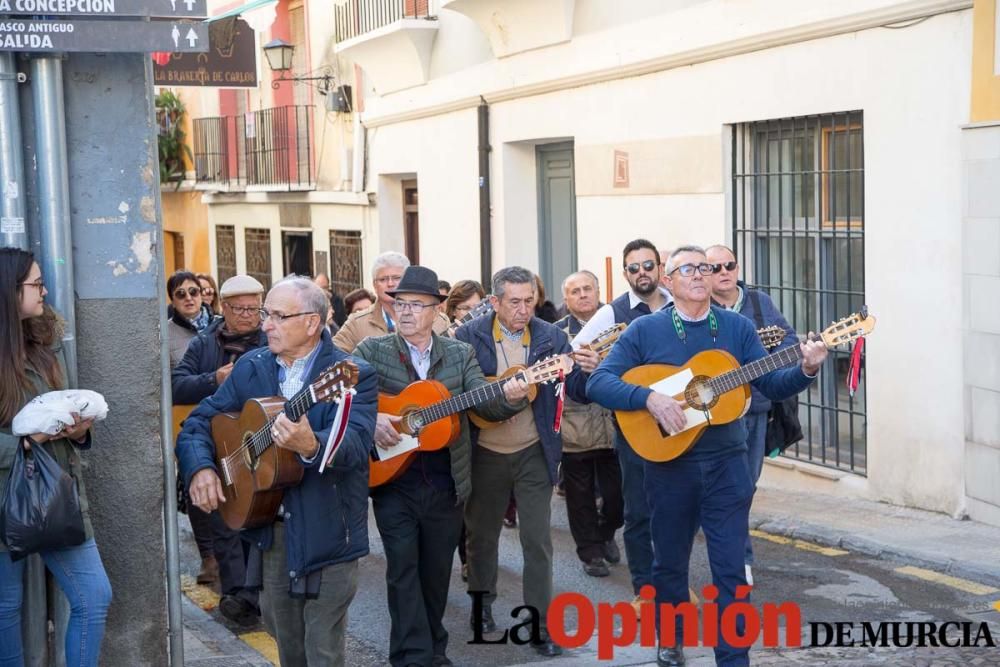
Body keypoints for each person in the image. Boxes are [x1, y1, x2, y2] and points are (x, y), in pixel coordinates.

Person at [587, 245, 827, 667]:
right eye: (689, 268)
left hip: (727, 464)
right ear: (668, 280)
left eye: (707, 267)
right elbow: (599, 383)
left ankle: (733, 660)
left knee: (732, 571)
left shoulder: (736, 327)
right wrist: (649, 399)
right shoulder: (644, 331)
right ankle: (671, 637)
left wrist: (806, 369)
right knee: (669, 564)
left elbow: (770, 383)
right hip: (669, 466)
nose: (701, 274)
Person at [176, 276, 378, 666]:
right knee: (285, 641)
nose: (265, 324)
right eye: (266, 314)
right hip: (272, 530)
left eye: (277, 316)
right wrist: (201, 468)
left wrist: (311, 445)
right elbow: (199, 423)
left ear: (312, 322)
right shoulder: (253, 366)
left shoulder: (353, 374)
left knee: (321, 647)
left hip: (330, 529)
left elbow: (354, 445)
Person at [354, 266, 528, 667]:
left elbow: (484, 401)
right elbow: (346, 397)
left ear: (437, 311)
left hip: (446, 480)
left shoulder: (459, 353)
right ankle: (412, 656)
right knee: (402, 568)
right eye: (401, 304)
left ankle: (433, 646)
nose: (407, 312)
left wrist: (513, 394)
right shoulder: (371, 352)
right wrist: (373, 418)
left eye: (417, 304)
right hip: (392, 480)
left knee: (434, 573)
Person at [454, 266, 593, 658]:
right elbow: (461, 387)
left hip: (533, 449)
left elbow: (575, 388)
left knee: (538, 540)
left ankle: (542, 625)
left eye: (529, 300)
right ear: (494, 302)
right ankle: (482, 608)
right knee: (481, 539)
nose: (523, 309)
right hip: (485, 453)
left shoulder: (550, 336)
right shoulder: (469, 335)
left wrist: (587, 368)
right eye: (513, 301)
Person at [0, 247, 112, 666]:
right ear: (8, 291)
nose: (45, 290)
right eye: (36, 283)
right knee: (4, 611)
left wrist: (80, 428)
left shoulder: (45, 338)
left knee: (94, 596)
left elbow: (63, 402)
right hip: (4, 492)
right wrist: (28, 442)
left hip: (55, 493)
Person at [572, 239, 671, 608]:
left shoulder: (680, 305)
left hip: (681, 422)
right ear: (625, 273)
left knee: (677, 509)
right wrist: (596, 368)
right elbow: (577, 365)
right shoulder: (610, 314)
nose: (642, 272)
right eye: (634, 268)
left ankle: (671, 583)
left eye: (648, 265)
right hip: (634, 425)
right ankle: (645, 591)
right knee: (639, 512)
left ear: (659, 267)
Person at [172, 274, 268, 626]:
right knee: (226, 520)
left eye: (254, 308)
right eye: (239, 308)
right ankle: (237, 596)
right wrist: (215, 380)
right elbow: (177, 386)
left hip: (260, 440)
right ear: (223, 308)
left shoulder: (271, 340)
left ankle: (252, 591)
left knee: (258, 515)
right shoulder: (203, 344)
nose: (247, 315)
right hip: (217, 440)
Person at [706, 244, 797, 585]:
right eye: (714, 268)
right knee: (717, 487)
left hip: (756, 408)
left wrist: (763, 359)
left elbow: (789, 341)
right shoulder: (700, 308)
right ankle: (735, 556)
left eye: (728, 265)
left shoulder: (760, 303)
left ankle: (736, 556)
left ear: (738, 267)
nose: (723, 272)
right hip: (714, 413)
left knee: (745, 486)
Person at [554, 271, 623, 578]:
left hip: (614, 422)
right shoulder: (556, 334)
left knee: (617, 496)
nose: (582, 295)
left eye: (587, 289)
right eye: (575, 291)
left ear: (598, 292)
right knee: (579, 497)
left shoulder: (618, 324)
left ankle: (607, 530)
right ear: (566, 299)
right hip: (574, 425)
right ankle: (590, 553)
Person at [334, 252, 449, 353]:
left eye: (396, 278)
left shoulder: (439, 320)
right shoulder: (357, 323)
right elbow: (332, 355)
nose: (390, 284)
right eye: (383, 279)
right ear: (374, 285)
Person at [167, 270, 217, 369]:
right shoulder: (164, 333)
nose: (188, 298)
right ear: (172, 301)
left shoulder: (222, 324)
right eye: (181, 294)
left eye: (193, 292)